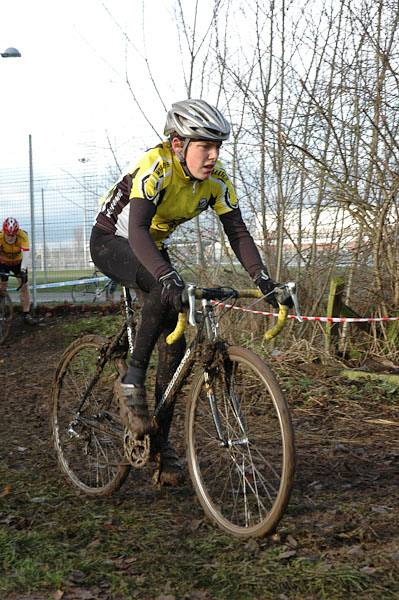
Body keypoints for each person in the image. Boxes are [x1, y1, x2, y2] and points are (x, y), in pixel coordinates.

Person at [90, 99, 285, 485]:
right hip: (113, 239)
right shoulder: (157, 166)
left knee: (175, 347)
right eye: (205, 147)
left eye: (217, 147)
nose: (213, 156)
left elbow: (238, 232)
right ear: (179, 144)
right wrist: (166, 277)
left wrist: (264, 281)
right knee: (163, 289)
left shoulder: (217, 182)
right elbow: (140, 231)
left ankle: (160, 446)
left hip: (148, 247)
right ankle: (131, 379)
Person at [0, 217, 37, 325]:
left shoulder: (23, 235)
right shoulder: (0, 236)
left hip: (18, 262)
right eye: (8, 235)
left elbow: (26, 254)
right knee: (3, 285)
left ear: (17, 232)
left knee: (24, 286)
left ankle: (26, 314)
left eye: (13, 235)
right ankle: (2, 307)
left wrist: (23, 270)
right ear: (4, 232)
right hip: (3, 262)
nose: (10, 238)